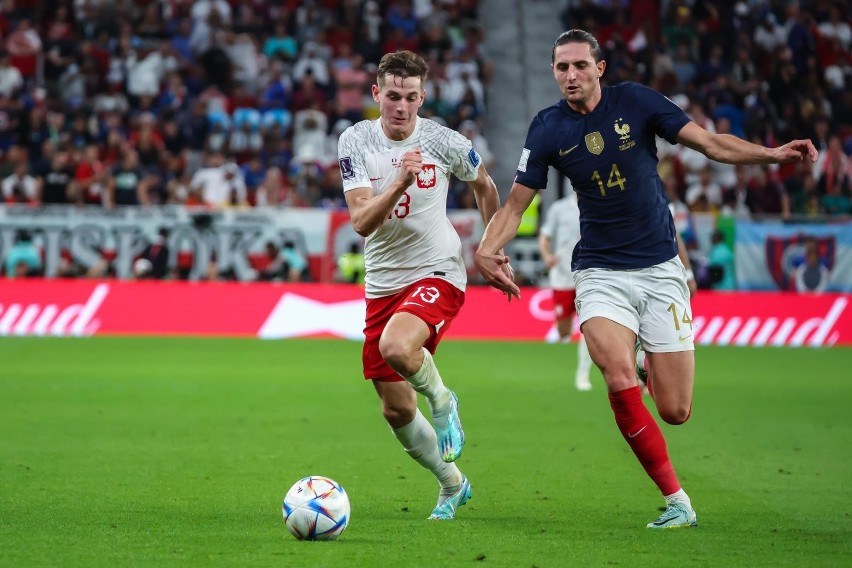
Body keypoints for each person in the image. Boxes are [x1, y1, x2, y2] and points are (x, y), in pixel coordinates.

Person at [474, 29, 818, 529]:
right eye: (561, 68)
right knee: (614, 375)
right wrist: (486, 248)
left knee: (676, 410)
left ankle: (641, 361)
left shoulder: (635, 102)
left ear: (600, 67)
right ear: (553, 72)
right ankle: (677, 500)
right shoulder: (547, 128)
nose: (570, 75)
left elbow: (710, 144)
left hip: (660, 270)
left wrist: (772, 154)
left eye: (579, 66)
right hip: (598, 271)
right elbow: (515, 204)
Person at [337, 50, 505, 521]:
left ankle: (443, 399)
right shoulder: (354, 141)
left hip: (439, 270)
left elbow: (486, 186)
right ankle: (452, 484)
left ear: (422, 97)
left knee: (397, 346)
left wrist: (490, 247)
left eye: (411, 97)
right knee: (394, 409)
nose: (402, 107)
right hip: (383, 283)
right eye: (392, 96)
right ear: (376, 94)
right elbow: (362, 223)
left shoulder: (444, 140)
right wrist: (398, 180)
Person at [538, 191, 593, 391]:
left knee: (588, 326)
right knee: (564, 331)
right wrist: (547, 256)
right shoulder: (559, 209)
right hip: (562, 276)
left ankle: (583, 374)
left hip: (589, 275)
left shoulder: (597, 203)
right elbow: (545, 237)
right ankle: (562, 371)